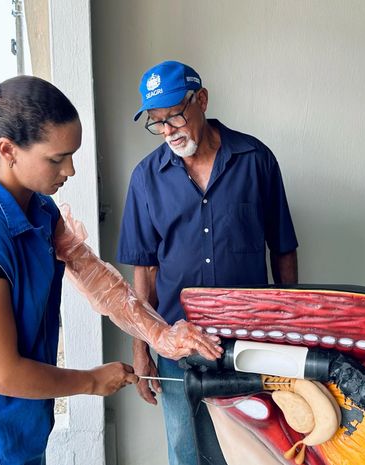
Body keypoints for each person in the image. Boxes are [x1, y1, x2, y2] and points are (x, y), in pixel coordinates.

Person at [0, 75, 221, 465]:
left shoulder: (40, 211)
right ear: (8, 150)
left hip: (20, 423)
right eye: (57, 158)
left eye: (72, 154)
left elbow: (100, 282)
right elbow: (1, 374)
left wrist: (162, 336)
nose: (70, 170)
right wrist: (91, 381)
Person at [117, 60, 299, 465]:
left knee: (251, 447)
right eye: (156, 122)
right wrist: (143, 347)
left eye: (174, 116)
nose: (167, 130)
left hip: (249, 341)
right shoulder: (145, 177)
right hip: (175, 343)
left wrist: (292, 330)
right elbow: (144, 269)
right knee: (185, 451)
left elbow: (283, 247)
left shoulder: (256, 160)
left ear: (201, 100)